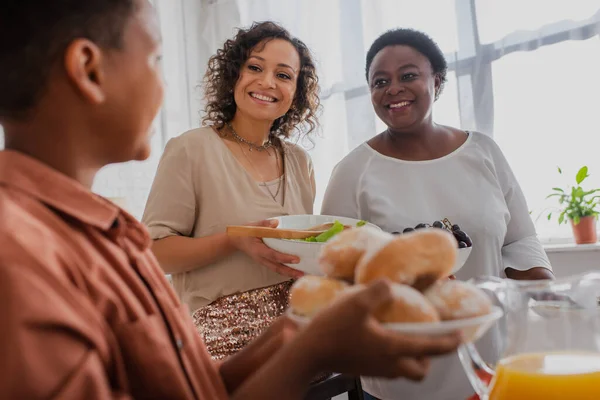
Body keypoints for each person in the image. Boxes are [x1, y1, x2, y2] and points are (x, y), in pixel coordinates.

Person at [0, 2, 462, 399]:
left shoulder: (108, 232)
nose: (163, 87)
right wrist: (308, 351)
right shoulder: (20, 255)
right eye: (156, 59)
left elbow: (189, 387)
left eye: (285, 74)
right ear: (90, 68)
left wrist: (294, 336)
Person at [321, 28, 554, 400]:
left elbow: (520, 239)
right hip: (398, 370)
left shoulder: (484, 152)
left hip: (490, 360)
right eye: (380, 81)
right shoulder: (353, 171)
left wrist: (548, 293)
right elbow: (334, 268)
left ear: (438, 81)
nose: (393, 88)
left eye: (408, 75)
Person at [141, 21, 319, 359]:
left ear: (296, 91)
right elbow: (154, 252)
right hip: (218, 350)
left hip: (298, 343)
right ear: (233, 75)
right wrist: (234, 240)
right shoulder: (190, 149)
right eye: (254, 67)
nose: (267, 82)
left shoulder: (300, 162)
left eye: (284, 75)